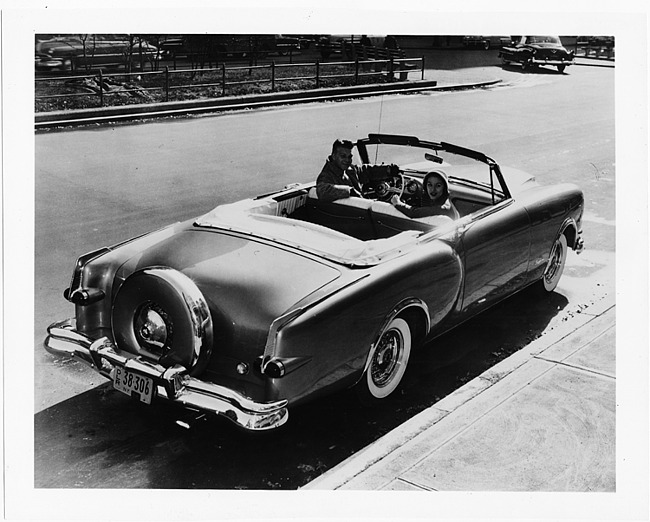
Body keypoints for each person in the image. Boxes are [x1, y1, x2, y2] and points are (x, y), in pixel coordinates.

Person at [316, 139, 399, 202]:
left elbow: (367, 171)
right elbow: (322, 191)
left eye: (349, 157)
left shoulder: (349, 169)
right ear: (333, 156)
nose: (347, 160)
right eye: (343, 156)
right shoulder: (326, 175)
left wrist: (387, 170)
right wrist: (349, 191)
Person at [390, 170, 459, 220]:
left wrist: (397, 203)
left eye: (438, 186)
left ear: (444, 188)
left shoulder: (443, 208)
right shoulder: (442, 200)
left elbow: (414, 213)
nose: (433, 190)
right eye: (429, 185)